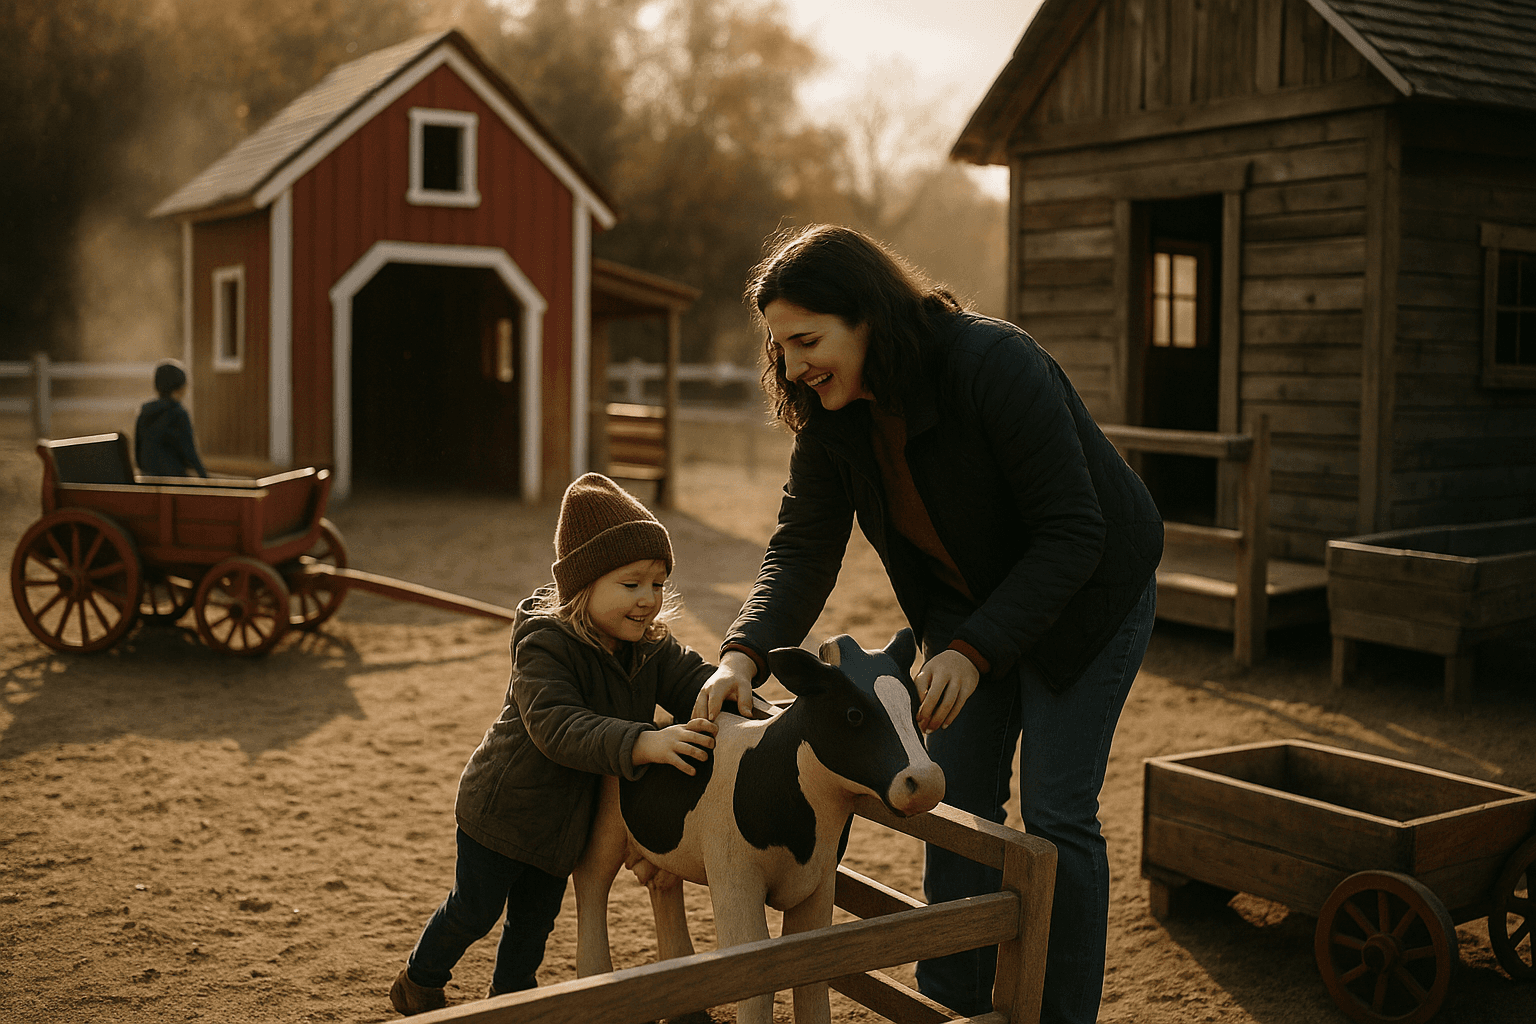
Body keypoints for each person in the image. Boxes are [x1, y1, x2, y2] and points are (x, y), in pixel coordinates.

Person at [694, 225, 1163, 1024]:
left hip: (1088, 598)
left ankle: (1061, 1015)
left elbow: (1074, 531)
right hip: (967, 614)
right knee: (957, 801)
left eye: (809, 339)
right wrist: (740, 656)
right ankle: (951, 1005)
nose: (796, 364)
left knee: (1055, 815)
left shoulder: (993, 363)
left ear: (869, 315)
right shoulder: (832, 420)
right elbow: (802, 550)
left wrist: (976, 652)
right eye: (782, 348)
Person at [389, 473, 720, 1015]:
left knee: (534, 923)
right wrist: (644, 741)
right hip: (502, 812)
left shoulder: (649, 647)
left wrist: (735, 695)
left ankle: (511, 1001)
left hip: (564, 826)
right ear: (583, 586)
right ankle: (420, 978)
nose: (648, 601)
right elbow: (557, 725)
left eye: (657, 584)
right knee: (475, 909)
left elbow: (692, 681)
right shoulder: (546, 645)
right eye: (631, 584)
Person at [134, 360, 208, 478]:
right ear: (180, 388)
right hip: (173, 479)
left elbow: (138, 449)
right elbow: (189, 451)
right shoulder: (179, 414)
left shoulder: (144, 412)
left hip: (148, 476)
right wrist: (205, 477)